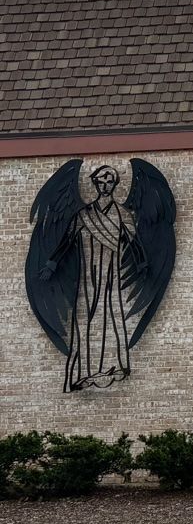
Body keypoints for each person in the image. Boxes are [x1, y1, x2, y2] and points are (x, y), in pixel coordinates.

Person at [39, 165, 142, 390]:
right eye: (100, 182)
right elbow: (66, 242)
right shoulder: (84, 215)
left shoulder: (122, 214)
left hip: (110, 275)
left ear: (114, 184)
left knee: (112, 316)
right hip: (87, 276)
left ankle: (114, 364)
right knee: (83, 319)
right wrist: (51, 264)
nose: (104, 186)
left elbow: (135, 243)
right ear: (95, 184)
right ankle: (82, 371)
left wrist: (143, 264)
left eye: (109, 182)